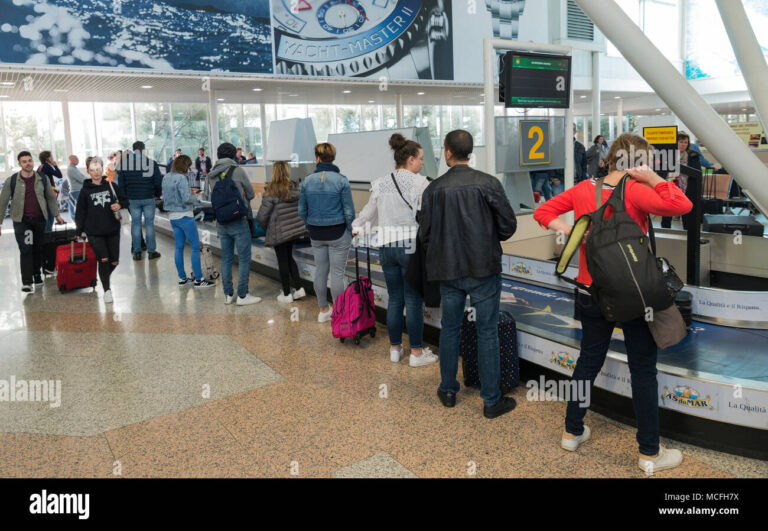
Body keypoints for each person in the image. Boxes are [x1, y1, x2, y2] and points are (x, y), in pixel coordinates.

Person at [533, 133, 693, 473]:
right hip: (633, 295)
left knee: (588, 361)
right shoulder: (636, 191)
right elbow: (682, 206)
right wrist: (652, 178)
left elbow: (544, 211)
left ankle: (572, 432)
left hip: (591, 291)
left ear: (610, 158)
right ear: (638, 163)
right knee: (643, 370)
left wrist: (575, 232)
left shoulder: (581, 190)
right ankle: (649, 454)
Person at [419, 130, 518, 418]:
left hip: (447, 271)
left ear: (447, 153)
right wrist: (488, 237)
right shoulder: (488, 183)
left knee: (450, 329)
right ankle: (491, 401)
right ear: (470, 152)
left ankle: (448, 390)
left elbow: (424, 235)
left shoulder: (433, 189)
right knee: (487, 332)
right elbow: (508, 226)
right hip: (483, 268)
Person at [352, 133, 437, 367]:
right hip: (410, 245)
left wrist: (357, 228)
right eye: (420, 159)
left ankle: (395, 349)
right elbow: (428, 216)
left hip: (386, 246)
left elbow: (369, 213)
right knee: (413, 300)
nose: (422, 163)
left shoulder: (381, 182)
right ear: (410, 159)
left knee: (395, 298)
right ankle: (417, 353)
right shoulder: (421, 183)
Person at [299, 142, 355, 323]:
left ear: (317, 158)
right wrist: (349, 229)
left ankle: (323, 310)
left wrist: (310, 226)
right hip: (338, 232)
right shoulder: (341, 180)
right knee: (337, 274)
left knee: (321, 271)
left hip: (316, 233)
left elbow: (301, 210)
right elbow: (349, 211)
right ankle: (339, 313)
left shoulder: (307, 180)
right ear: (333, 157)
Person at [204, 142, 261, 306]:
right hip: (238, 220)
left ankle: (228, 295)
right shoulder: (237, 170)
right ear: (233, 155)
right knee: (244, 259)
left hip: (221, 221)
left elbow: (208, 199)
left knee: (226, 259)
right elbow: (250, 194)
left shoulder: (211, 174)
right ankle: (242, 295)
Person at [0, 151, 64, 292]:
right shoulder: (12, 180)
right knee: (26, 249)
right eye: (24, 161)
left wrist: (57, 215)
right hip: (23, 223)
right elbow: (2, 202)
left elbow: (50, 198)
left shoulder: (42, 178)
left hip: (39, 220)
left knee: (38, 248)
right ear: (19, 163)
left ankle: (37, 275)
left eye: (29, 160)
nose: (28, 163)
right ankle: (27, 281)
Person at [74, 157, 128, 303]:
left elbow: (125, 200)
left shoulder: (111, 185)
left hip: (112, 229)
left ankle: (103, 277)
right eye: (92, 170)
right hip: (93, 232)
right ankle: (107, 290)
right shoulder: (85, 190)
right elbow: (80, 213)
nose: (96, 173)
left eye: (98, 169)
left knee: (114, 262)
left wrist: (119, 205)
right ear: (88, 171)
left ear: (102, 169)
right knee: (103, 260)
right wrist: (79, 232)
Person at [256, 161, 308, 303]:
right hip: (292, 231)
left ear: (274, 172)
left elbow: (262, 216)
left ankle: (286, 294)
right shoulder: (295, 188)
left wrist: (267, 228)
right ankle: (298, 289)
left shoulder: (271, 191)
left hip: (278, 231)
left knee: (282, 260)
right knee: (289, 257)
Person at [162, 154, 214, 289]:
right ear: (185, 166)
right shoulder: (182, 178)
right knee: (195, 248)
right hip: (185, 216)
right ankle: (198, 279)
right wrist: (195, 198)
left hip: (173, 217)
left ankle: (182, 278)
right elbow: (185, 198)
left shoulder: (166, 177)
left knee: (179, 248)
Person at [117, 141, 163, 261]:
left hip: (132, 199)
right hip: (148, 198)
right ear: (143, 150)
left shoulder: (124, 165)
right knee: (149, 225)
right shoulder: (151, 163)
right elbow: (158, 182)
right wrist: (156, 194)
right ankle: (152, 252)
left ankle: (137, 252)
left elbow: (121, 185)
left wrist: (126, 198)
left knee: (136, 225)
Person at [661, 132, 701, 230]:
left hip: (687, 187)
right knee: (667, 211)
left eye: (685, 142)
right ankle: (665, 232)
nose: (683, 144)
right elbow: (662, 171)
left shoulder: (693, 156)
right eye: (680, 142)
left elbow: (697, 172)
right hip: (669, 187)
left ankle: (688, 234)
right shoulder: (667, 155)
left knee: (687, 213)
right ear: (675, 142)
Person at [38, 150, 62, 232]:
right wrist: (55, 166)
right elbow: (59, 175)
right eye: (51, 156)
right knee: (50, 214)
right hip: (49, 194)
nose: (52, 158)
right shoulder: (47, 166)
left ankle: (46, 233)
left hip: (43, 193)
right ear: (47, 158)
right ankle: (48, 235)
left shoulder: (40, 167)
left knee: (46, 214)